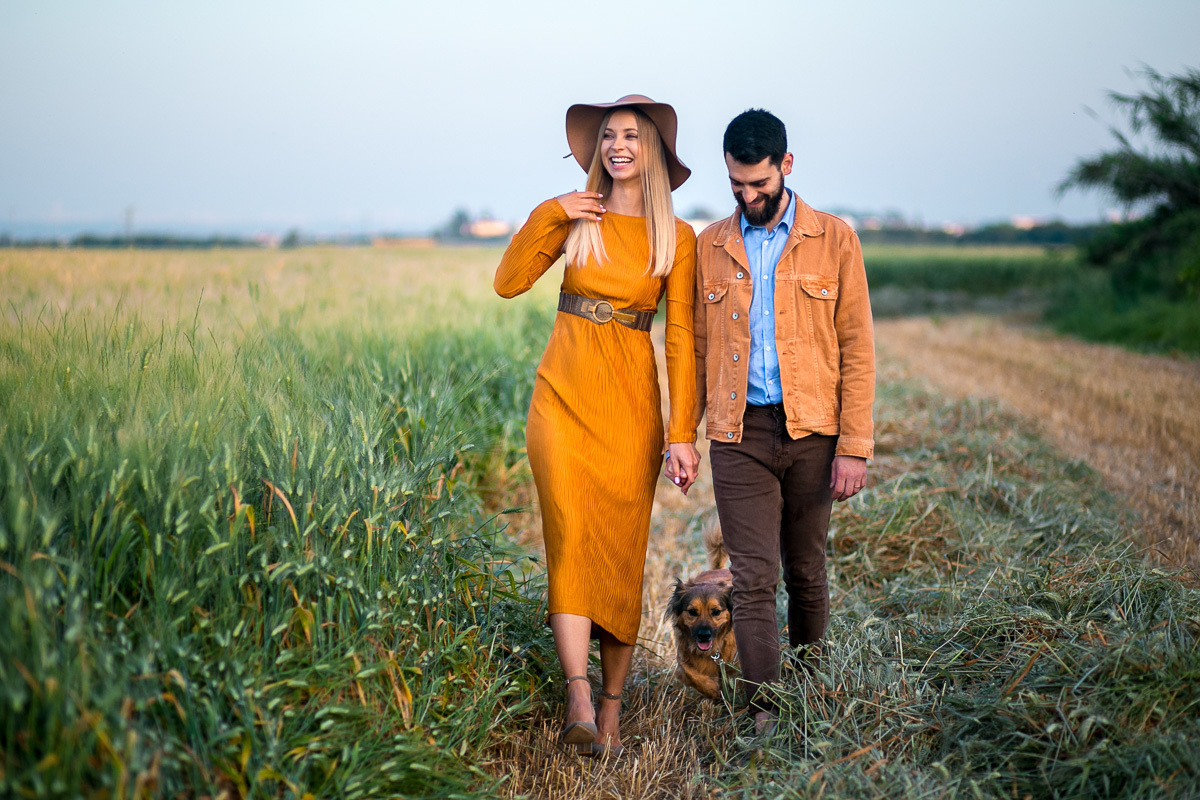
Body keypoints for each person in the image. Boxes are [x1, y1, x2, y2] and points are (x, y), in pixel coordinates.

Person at [494, 95, 701, 757]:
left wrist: (680, 432)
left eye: (631, 137)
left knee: (619, 548)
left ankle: (612, 701)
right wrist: (552, 212)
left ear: (654, 154)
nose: (617, 146)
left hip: (630, 407)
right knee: (571, 535)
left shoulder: (679, 238)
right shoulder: (577, 216)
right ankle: (577, 692)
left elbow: (680, 341)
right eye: (608, 136)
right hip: (562, 396)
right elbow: (507, 282)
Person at [673, 108, 875, 733]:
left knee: (806, 572)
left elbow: (857, 348)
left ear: (786, 165)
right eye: (736, 185)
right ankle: (766, 710)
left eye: (758, 184)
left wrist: (855, 446)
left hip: (814, 433)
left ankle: (810, 689)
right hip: (739, 435)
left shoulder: (836, 239)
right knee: (755, 579)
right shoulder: (709, 246)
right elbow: (691, 347)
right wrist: (681, 435)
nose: (748, 196)